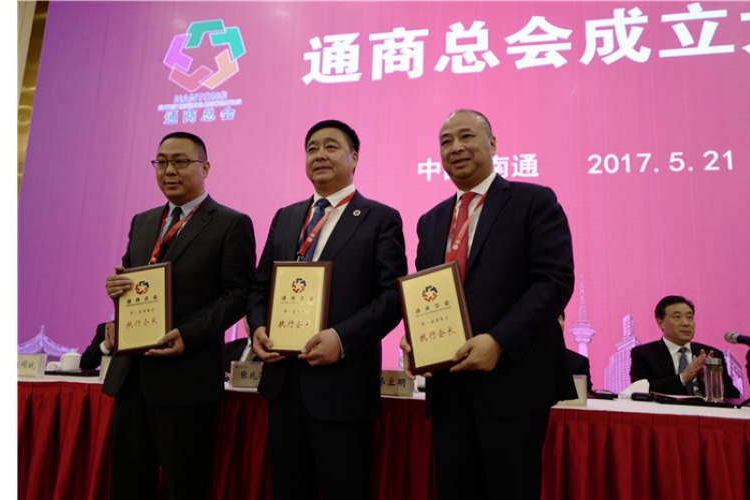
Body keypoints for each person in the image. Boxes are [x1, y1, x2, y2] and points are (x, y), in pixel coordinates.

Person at [400, 109, 576, 500]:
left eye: (466, 136)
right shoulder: (431, 221)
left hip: (513, 382)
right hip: (449, 387)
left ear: (492, 144)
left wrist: (498, 341)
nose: (455, 147)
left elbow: (554, 281)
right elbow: (428, 295)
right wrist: (416, 340)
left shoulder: (533, 201)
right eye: (446, 141)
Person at [247, 119, 407, 500]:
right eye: (312, 148)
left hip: (343, 389)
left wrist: (341, 338)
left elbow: (391, 297)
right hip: (284, 385)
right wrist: (257, 328)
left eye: (331, 146)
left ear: (355, 158)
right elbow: (259, 287)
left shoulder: (380, 218)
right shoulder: (286, 217)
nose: (319, 154)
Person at [103, 131, 257, 500]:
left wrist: (187, 334)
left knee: (183, 486)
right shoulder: (143, 221)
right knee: (127, 486)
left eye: (180, 161)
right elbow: (133, 280)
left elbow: (239, 294)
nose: (169, 170)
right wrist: (117, 292)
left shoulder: (230, 223)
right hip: (132, 376)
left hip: (187, 379)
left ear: (205, 167)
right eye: (161, 162)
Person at [629, 295, 740, 398]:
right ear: (660, 322)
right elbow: (641, 390)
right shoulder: (644, 354)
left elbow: (734, 396)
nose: (686, 323)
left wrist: (708, 379)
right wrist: (683, 378)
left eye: (690, 317)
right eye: (677, 317)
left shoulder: (711, 354)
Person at [559, 313, 593, 393]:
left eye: (557, 318)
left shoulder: (579, 362)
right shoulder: (528, 357)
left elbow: (584, 394)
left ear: (563, 325)